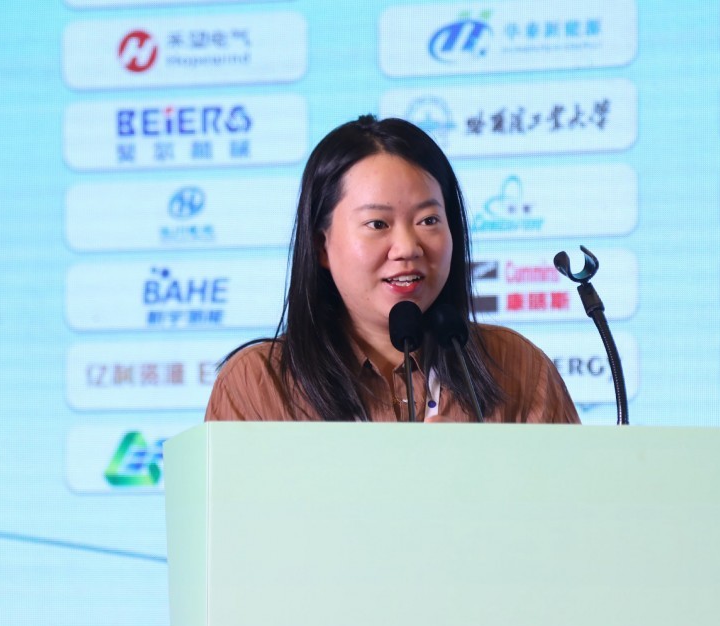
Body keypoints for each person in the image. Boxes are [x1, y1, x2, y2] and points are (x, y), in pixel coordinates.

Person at [205, 115, 580, 424]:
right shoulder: (259, 385)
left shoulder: (517, 368)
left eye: (428, 220)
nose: (407, 248)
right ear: (321, 246)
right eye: (378, 224)